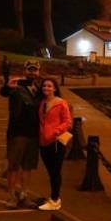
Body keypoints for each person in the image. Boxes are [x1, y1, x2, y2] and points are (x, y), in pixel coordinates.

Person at [0, 61, 41, 208]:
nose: (32, 73)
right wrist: (7, 86)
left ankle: (23, 195)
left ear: (38, 72)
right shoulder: (16, 86)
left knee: (28, 166)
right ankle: (11, 197)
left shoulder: (39, 88)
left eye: (35, 70)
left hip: (34, 134)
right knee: (13, 166)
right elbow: (4, 92)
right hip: (17, 133)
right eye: (30, 70)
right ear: (25, 71)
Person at [37, 77, 72, 211]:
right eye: (44, 86)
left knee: (55, 172)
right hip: (43, 142)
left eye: (49, 86)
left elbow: (67, 121)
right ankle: (53, 197)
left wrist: (57, 130)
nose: (46, 88)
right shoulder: (42, 102)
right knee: (51, 172)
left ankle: (55, 200)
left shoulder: (61, 103)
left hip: (56, 142)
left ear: (55, 88)